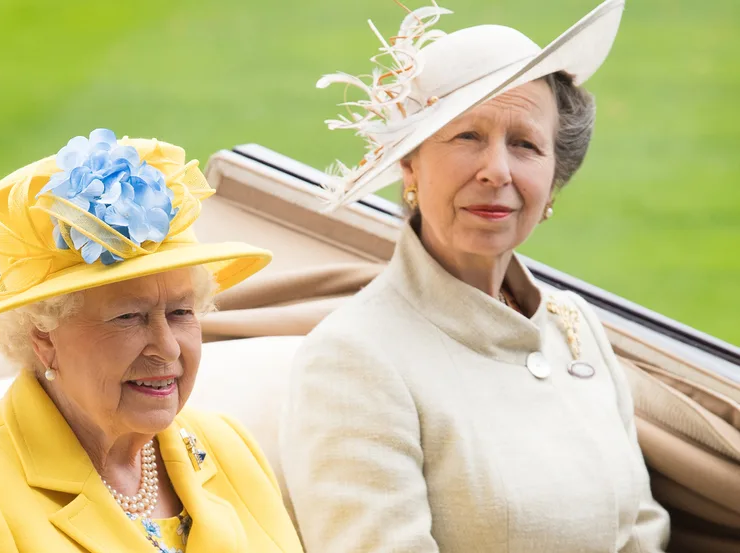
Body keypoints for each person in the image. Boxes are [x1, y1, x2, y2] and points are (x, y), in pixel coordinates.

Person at [280, 1, 671, 551]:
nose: (497, 171)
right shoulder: (353, 358)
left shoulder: (574, 324)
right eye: (467, 136)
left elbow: (641, 528)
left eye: (525, 145)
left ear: (554, 180)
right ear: (410, 163)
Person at [0, 129, 304, 553]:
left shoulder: (227, 444)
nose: (167, 347)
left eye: (180, 312)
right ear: (43, 337)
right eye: (129, 317)